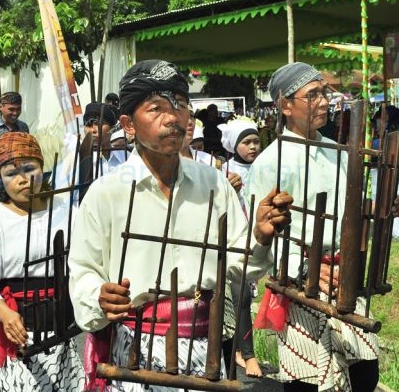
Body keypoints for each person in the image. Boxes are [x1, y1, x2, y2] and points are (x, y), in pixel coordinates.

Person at [68, 59, 292, 391]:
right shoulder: (106, 193)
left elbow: (236, 265)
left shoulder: (214, 184)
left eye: (181, 105)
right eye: (156, 109)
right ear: (129, 125)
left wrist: (258, 237)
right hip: (135, 354)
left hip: (206, 352)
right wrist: (100, 297)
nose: (172, 117)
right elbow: (83, 271)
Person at [245, 62, 380, 392]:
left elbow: (353, 217)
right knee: (308, 381)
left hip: (342, 277)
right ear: (285, 105)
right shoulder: (271, 161)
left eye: (325, 93)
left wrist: (373, 217)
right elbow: (266, 233)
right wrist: (305, 268)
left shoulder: (338, 152)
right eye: (313, 94)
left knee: (365, 371)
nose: (323, 101)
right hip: (300, 282)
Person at [0, 132, 86, 391]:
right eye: (11, 173)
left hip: (61, 324)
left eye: (29, 168)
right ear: (0, 178)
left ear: (42, 169)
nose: (22, 179)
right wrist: (4, 313)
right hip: (19, 324)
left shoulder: (67, 211)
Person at [220, 118, 263, 377]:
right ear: (234, 145)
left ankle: (239, 348)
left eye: (256, 141)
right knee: (240, 297)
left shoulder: (266, 166)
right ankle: (248, 353)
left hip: (259, 239)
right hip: (233, 240)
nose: (253, 147)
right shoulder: (224, 170)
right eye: (246, 142)